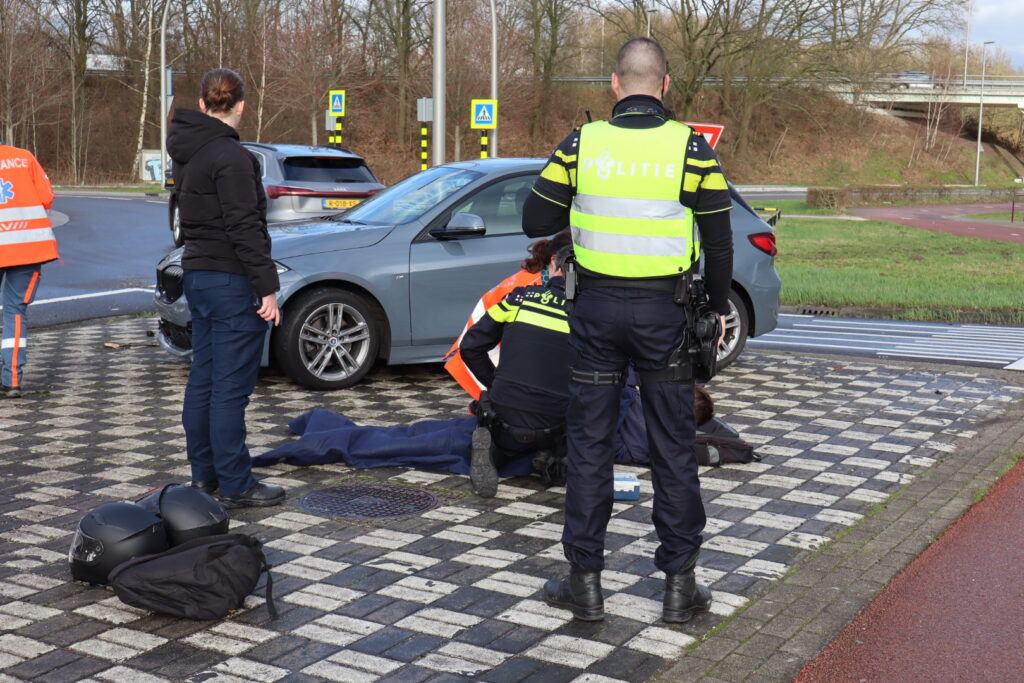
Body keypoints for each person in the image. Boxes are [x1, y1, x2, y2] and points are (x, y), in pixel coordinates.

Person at [523, 37, 734, 623]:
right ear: (665, 86)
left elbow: (533, 218)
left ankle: (585, 585)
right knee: (672, 447)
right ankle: (679, 586)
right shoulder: (691, 149)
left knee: (589, 445)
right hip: (665, 315)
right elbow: (719, 239)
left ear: (615, 84)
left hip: (594, 313)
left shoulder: (582, 143)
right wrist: (715, 311)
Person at [167, 68, 284, 509]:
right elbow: (244, 227)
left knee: (205, 380)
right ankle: (237, 484)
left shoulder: (188, 153)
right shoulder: (233, 158)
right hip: (232, 281)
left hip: (198, 275)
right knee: (229, 388)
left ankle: (205, 477)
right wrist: (267, 288)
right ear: (241, 106)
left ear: (202, 104)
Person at [458, 245, 574, 497]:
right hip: (556, 423)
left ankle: (494, 452)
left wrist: (495, 383)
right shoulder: (590, 316)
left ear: (554, 266)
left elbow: (470, 347)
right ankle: (553, 457)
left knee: (500, 430)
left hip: (504, 414)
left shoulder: (518, 298)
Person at [444, 229, 572, 399]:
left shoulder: (540, 279)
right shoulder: (529, 286)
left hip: (483, 348)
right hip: (481, 354)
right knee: (499, 408)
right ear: (555, 260)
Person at [0, 141, 58, 399]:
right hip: (27, 247)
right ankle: (12, 379)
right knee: (15, 310)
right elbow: (46, 197)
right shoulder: (23, 158)